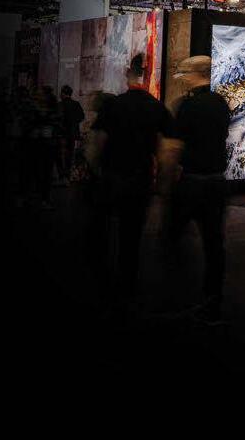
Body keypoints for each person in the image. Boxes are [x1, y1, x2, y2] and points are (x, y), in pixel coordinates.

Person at [85, 54, 173, 313]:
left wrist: (95, 171)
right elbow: (166, 150)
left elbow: (96, 144)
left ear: (128, 74)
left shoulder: (113, 105)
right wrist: (162, 184)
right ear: (147, 77)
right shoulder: (157, 108)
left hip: (112, 177)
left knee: (101, 231)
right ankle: (128, 285)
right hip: (140, 179)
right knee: (131, 236)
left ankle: (100, 285)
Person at [161, 56, 231, 325]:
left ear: (196, 74)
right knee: (214, 245)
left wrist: (165, 183)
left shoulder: (187, 106)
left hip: (191, 182)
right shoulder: (221, 104)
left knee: (171, 238)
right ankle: (213, 303)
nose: (183, 78)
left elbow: (174, 148)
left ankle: (174, 297)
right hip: (217, 183)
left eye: (185, 73)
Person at [59, 85, 85, 183]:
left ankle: (63, 175)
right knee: (70, 154)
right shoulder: (76, 104)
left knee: (62, 154)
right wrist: (74, 122)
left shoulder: (60, 105)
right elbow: (81, 116)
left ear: (63, 93)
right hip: (72, 133)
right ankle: (68, 174)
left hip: (62, 133)